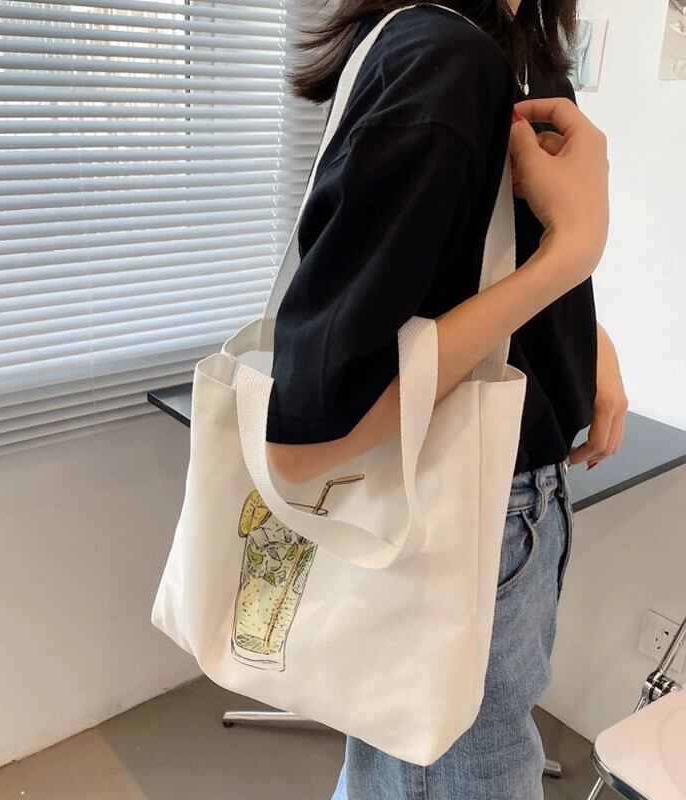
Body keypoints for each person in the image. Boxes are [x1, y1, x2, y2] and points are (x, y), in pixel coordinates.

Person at [262, 1, 627, 797]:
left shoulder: (509, 53)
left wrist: (589, 337)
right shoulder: (445, 62)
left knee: (398, 766)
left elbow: (465, 265)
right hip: (469, 508)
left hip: (501, 502)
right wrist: (571, 256)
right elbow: (305, 435)